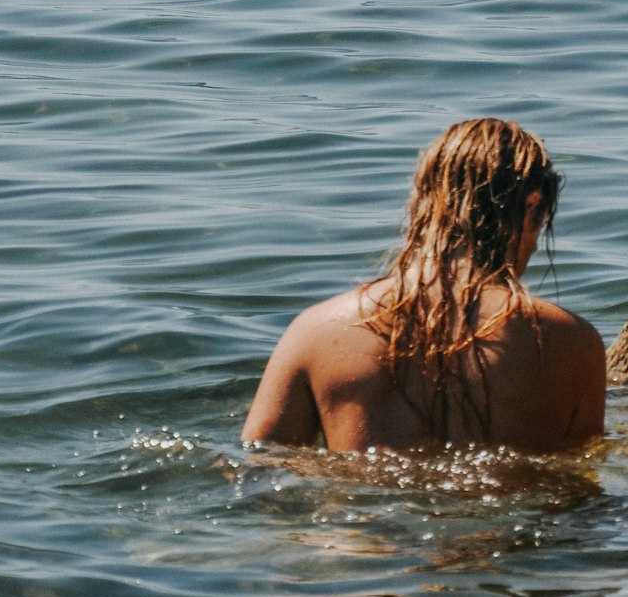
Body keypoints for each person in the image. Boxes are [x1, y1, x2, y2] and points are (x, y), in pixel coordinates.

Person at [242, 118, 605, 453]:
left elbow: (257, 467)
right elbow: (580, 480)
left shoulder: (317, 331)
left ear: (423, 202)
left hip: (362, 521)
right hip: (510, 522)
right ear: (532, 207)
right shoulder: (569, 341)